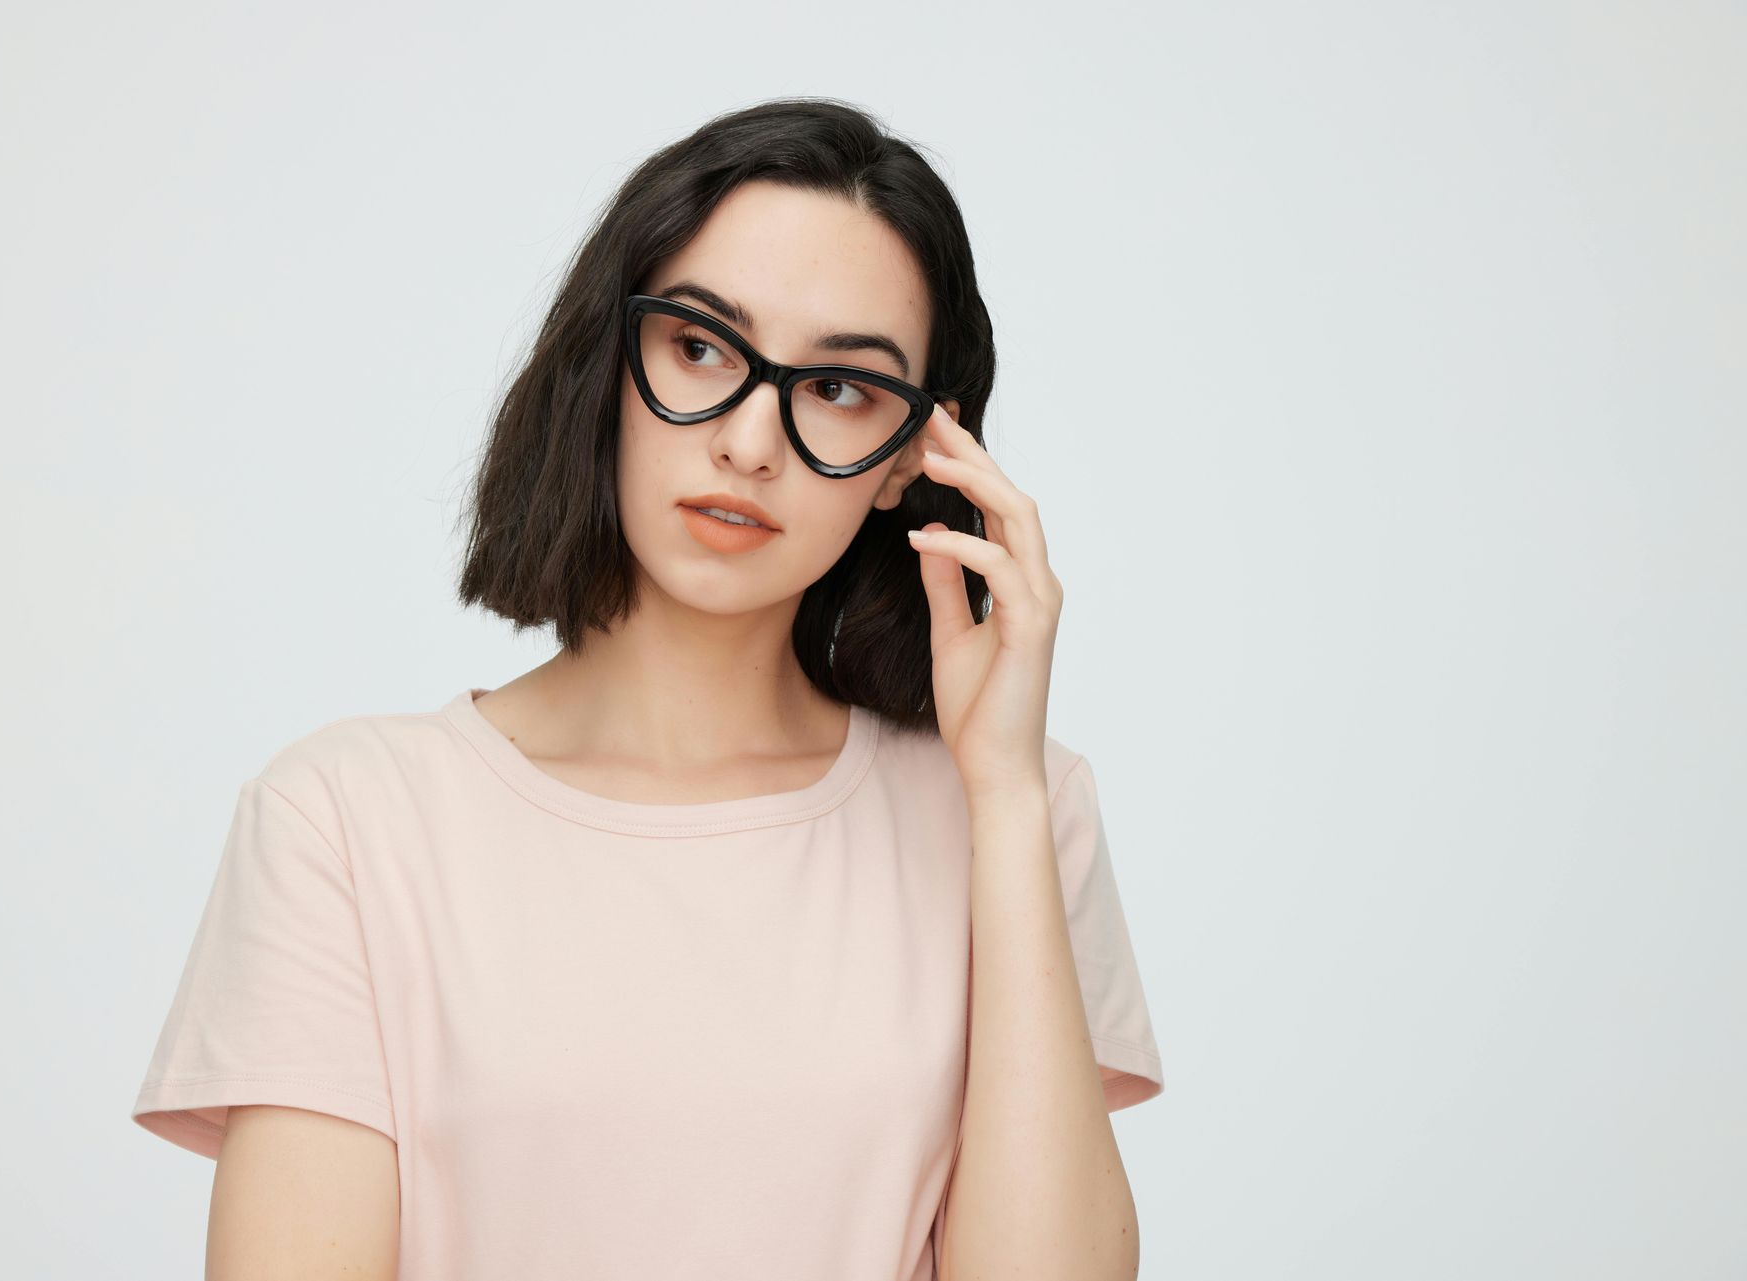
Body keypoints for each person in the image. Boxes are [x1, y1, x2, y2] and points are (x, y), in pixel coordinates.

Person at [129, 96, 1165, 1281]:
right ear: (607, 363)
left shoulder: (1014, 813)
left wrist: (1008, 797)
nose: (750, 443)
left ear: (910, 463)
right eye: (703, 347)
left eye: (839, 388)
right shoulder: (348, 820)